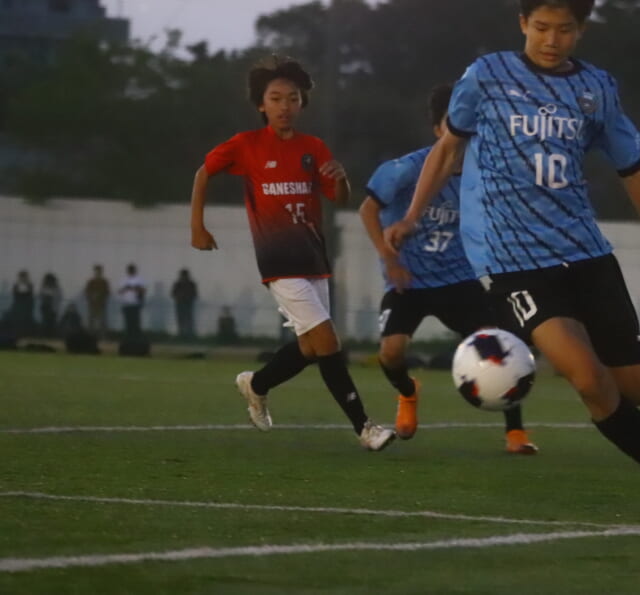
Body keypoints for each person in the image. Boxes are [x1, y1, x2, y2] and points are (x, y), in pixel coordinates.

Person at [383, 0, 640, 528]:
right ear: (522, 23)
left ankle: (602, 394)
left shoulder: (596, 89)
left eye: (564, 29)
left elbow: (634, 171)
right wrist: (414, 215)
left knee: (633, 390)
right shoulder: (486, 76)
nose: (551, 40)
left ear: (581, 30)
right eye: (540, 27)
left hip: (585, 252)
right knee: (589, 380)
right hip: (513, 262)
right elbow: (447, 149)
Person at [190, 55, 395, 452]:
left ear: (302, 104)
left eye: (293, 98)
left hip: (313, 258)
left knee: (310, 347)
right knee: (328, 341)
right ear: (261, 104)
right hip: (278, 262)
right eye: (276, 98)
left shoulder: (312, 148)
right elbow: (203, 172)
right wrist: (197, 226)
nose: (285, 106)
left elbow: (337, 198)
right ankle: (365, 427)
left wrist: (342, 179)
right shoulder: (246, 145)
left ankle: (257, 384)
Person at [360, 83, 539, 455]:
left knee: (501, 345)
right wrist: (389, 258)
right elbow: (368, 209)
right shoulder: (407, 169)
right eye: (452, 122)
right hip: (409, 279)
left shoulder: (483, 175)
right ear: (437, 128)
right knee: (391, 353)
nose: (462, 131)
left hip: (460, 281)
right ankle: (408, 392)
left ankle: (516, 433)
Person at [118, 264, 146, 338]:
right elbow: (119, 292)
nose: (131, 271)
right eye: (130, 270)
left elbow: (143, 291)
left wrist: (134, 288)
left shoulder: (139, 279)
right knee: (128, 322)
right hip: (126, 304)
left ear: (134, 270)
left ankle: (136, 337)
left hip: (136, 304)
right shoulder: (124, 280)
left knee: (135, 322)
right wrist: (126, 288)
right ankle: (128, 336)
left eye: (132, 270)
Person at [84, 265, 110, 338]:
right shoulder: (91, 282)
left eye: (99, 271)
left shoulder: (104, 282)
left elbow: (107, 292)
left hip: (101, 305)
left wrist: (100, 296)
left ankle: (103, 337)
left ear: (101, 272)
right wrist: (92, 296)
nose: (98, 272)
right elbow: (87, 292)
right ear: (95, 272)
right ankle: (89, 337)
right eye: (96, 271)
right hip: (92, 305)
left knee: (102, 321)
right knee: (91, 322)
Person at [171, 268, 199, 339]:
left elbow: (195, 294)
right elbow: (173, 294)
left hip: (188, 305)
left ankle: (190, 335)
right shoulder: (178, 284)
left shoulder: (191, 284)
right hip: (180, 305)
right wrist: (180, 296)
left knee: (188, 320)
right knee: (181, 320)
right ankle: (181, 334)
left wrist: (187, 296)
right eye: (183, 275)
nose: (184, 277)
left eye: (184, 275)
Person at [10, 270, 34, 336]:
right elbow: (15, 295)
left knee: (25, 323)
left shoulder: (29, 285)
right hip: (18, 308)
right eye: (22, 277)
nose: (23, 278)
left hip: (26, 308)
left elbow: (29, 295)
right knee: (18, 323)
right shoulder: (16, 286)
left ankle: (25, 334)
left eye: (24, 277)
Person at [38, 272, 63, 337]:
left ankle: (51, 335)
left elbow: (59, 298)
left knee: (52, 323)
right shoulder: (44, 287)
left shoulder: (56, 288)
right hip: (45, 308)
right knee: (45, 323)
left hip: (52, 309)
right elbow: (40, 296)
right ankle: (44, 335)